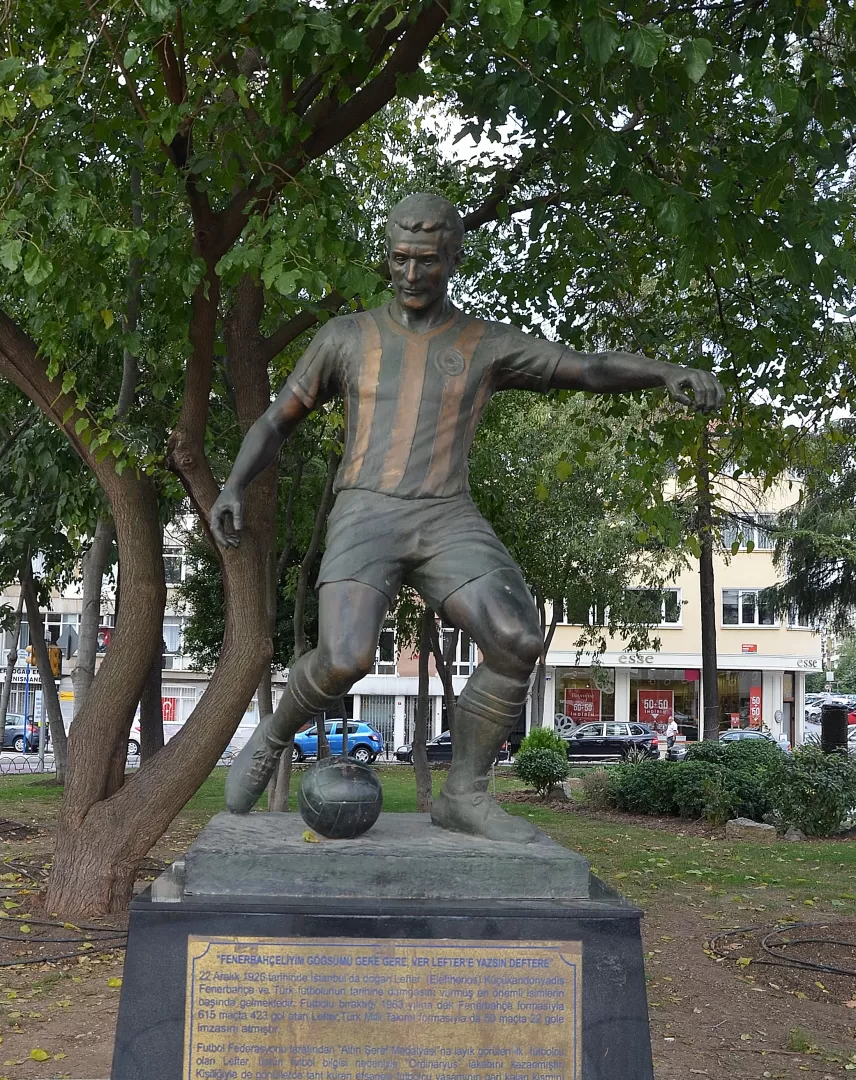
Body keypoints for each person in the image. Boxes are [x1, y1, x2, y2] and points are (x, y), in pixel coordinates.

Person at [211, 193, 724, 841]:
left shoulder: (484, 344)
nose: (411, 273)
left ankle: (463, 794)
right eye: (399, 259)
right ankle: (275, 733)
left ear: (453, 257)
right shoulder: (345, 338)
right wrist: (233, 485)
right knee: (344, 658)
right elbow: (277, 419)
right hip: (365, 512)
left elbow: (587, 369)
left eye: (426, 260)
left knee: (516, 639)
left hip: (446, 516)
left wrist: (665, 372)